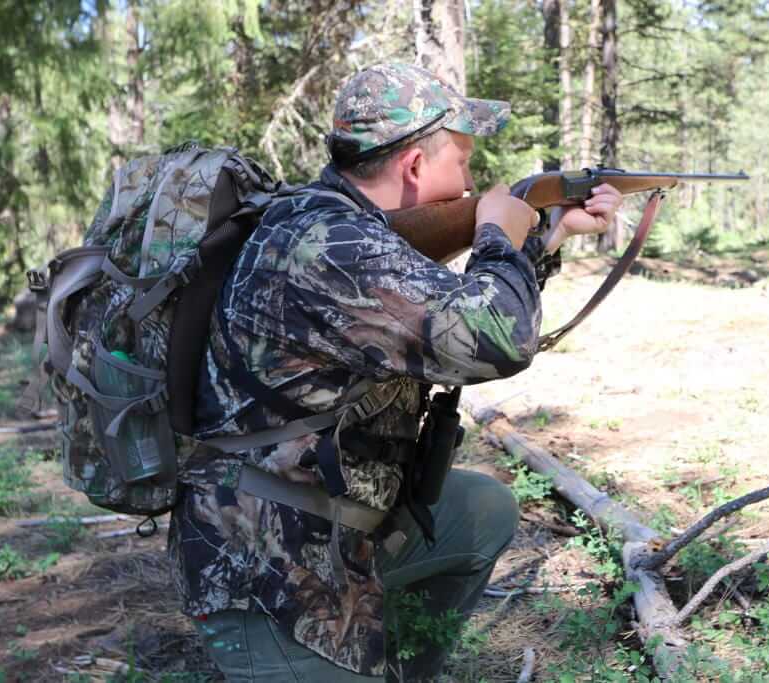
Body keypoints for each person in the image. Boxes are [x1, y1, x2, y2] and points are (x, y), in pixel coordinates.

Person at [168, 62, 623, 682]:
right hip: (268, 569)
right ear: (413, 165)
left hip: (334, 529)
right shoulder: (333, 246)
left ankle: (400, 664)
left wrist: (542, 236)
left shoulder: (338, 223)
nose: (469, 181)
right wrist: (494, 236)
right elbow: (496, 340)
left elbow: (444, 320)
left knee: (483, 507)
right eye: (461, 163)